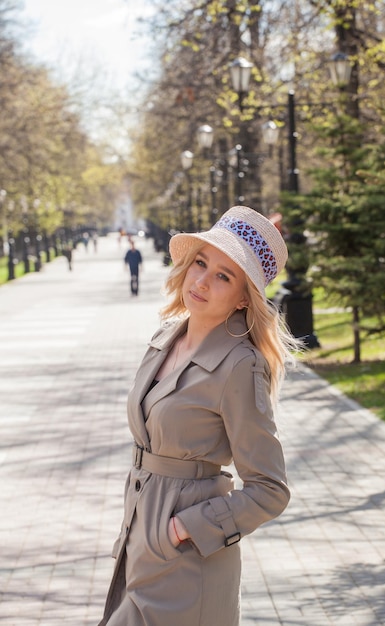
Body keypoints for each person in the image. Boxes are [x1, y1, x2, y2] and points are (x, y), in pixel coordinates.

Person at [98, 205, 298, 626]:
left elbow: (270, 489)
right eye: (200, 263)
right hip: (139, 543)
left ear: (244, 296)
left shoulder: (241, 365)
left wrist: (185, 528)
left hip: (188, 563)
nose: (202, 281)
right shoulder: (166, 338)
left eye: (223, 275)